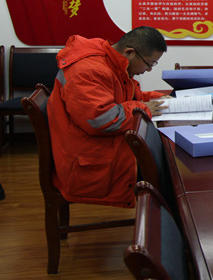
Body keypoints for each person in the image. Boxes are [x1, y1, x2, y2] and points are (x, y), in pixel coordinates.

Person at [47, 26, 169, 208]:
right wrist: (143, 108)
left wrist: (158, 99)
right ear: (130, 52)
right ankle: (161, 224)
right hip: (89, 159)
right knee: (168, 172)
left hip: (102, 146)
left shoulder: (109, 58)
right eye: (149, 64)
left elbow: (127, 98)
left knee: (165, 158)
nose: (149, 70)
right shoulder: (89, 70)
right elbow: (101, 119)